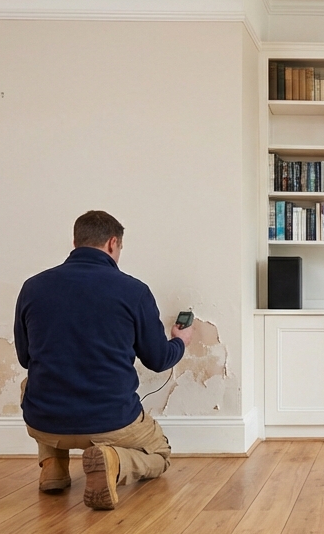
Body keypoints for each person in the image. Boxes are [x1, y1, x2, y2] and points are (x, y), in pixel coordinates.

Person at [14, 210, 194, 510]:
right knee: (160, 455)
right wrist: (180, 340)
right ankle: (114, 461)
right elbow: (159, 360)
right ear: (113, 243)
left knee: (30, 380)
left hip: (45, 421)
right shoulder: (133, 291)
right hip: (111, 421)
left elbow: (25, 358)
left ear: (75, 241)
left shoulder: (33, 287)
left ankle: (52, 467)